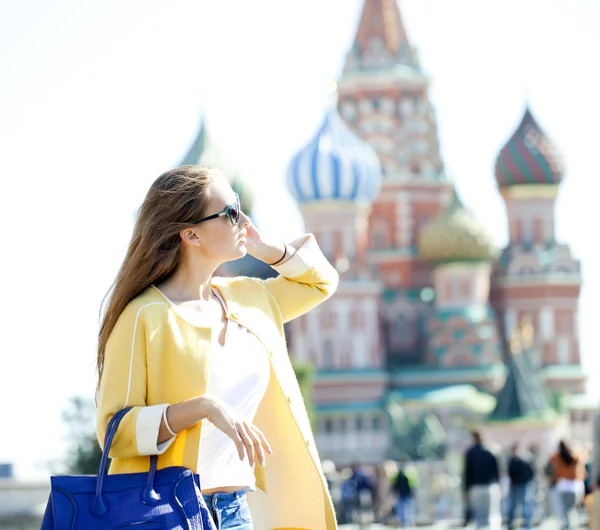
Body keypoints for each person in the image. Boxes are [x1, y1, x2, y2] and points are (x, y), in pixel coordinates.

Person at [95, 165, 340, 530]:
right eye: (229, 213)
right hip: (166, 513)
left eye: (240, 208)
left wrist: (264, 247)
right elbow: (115, 430)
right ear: (191, 235)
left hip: (237, 511)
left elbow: (320, 283)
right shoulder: (143, 316)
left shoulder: (251, 299)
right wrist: (202, 408)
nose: (242, 219)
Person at [463, 431, 501, 530]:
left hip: (475, 487)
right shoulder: (490, 451)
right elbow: (497, 471)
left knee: (478, 515)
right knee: (489, 514)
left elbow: (467, 473)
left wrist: (465, 490)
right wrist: (498, 484)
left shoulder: (470, 452)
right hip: (489, 486)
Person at [547, 439, 586, 530]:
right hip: (575, 486)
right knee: (571, 509)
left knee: (564, 509)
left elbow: (549, 466)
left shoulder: (557, 456)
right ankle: (570, 526)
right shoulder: (575, 456)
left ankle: (568, 526)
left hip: (563, 486)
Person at [506, 443, 535, 530]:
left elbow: (510, 473)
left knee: (517, 505)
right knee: (524, 504)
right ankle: (527, 524)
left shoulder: (515, 460)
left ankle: (519, 524)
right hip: (522, 484)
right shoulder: (525, 459)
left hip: (519, 484)